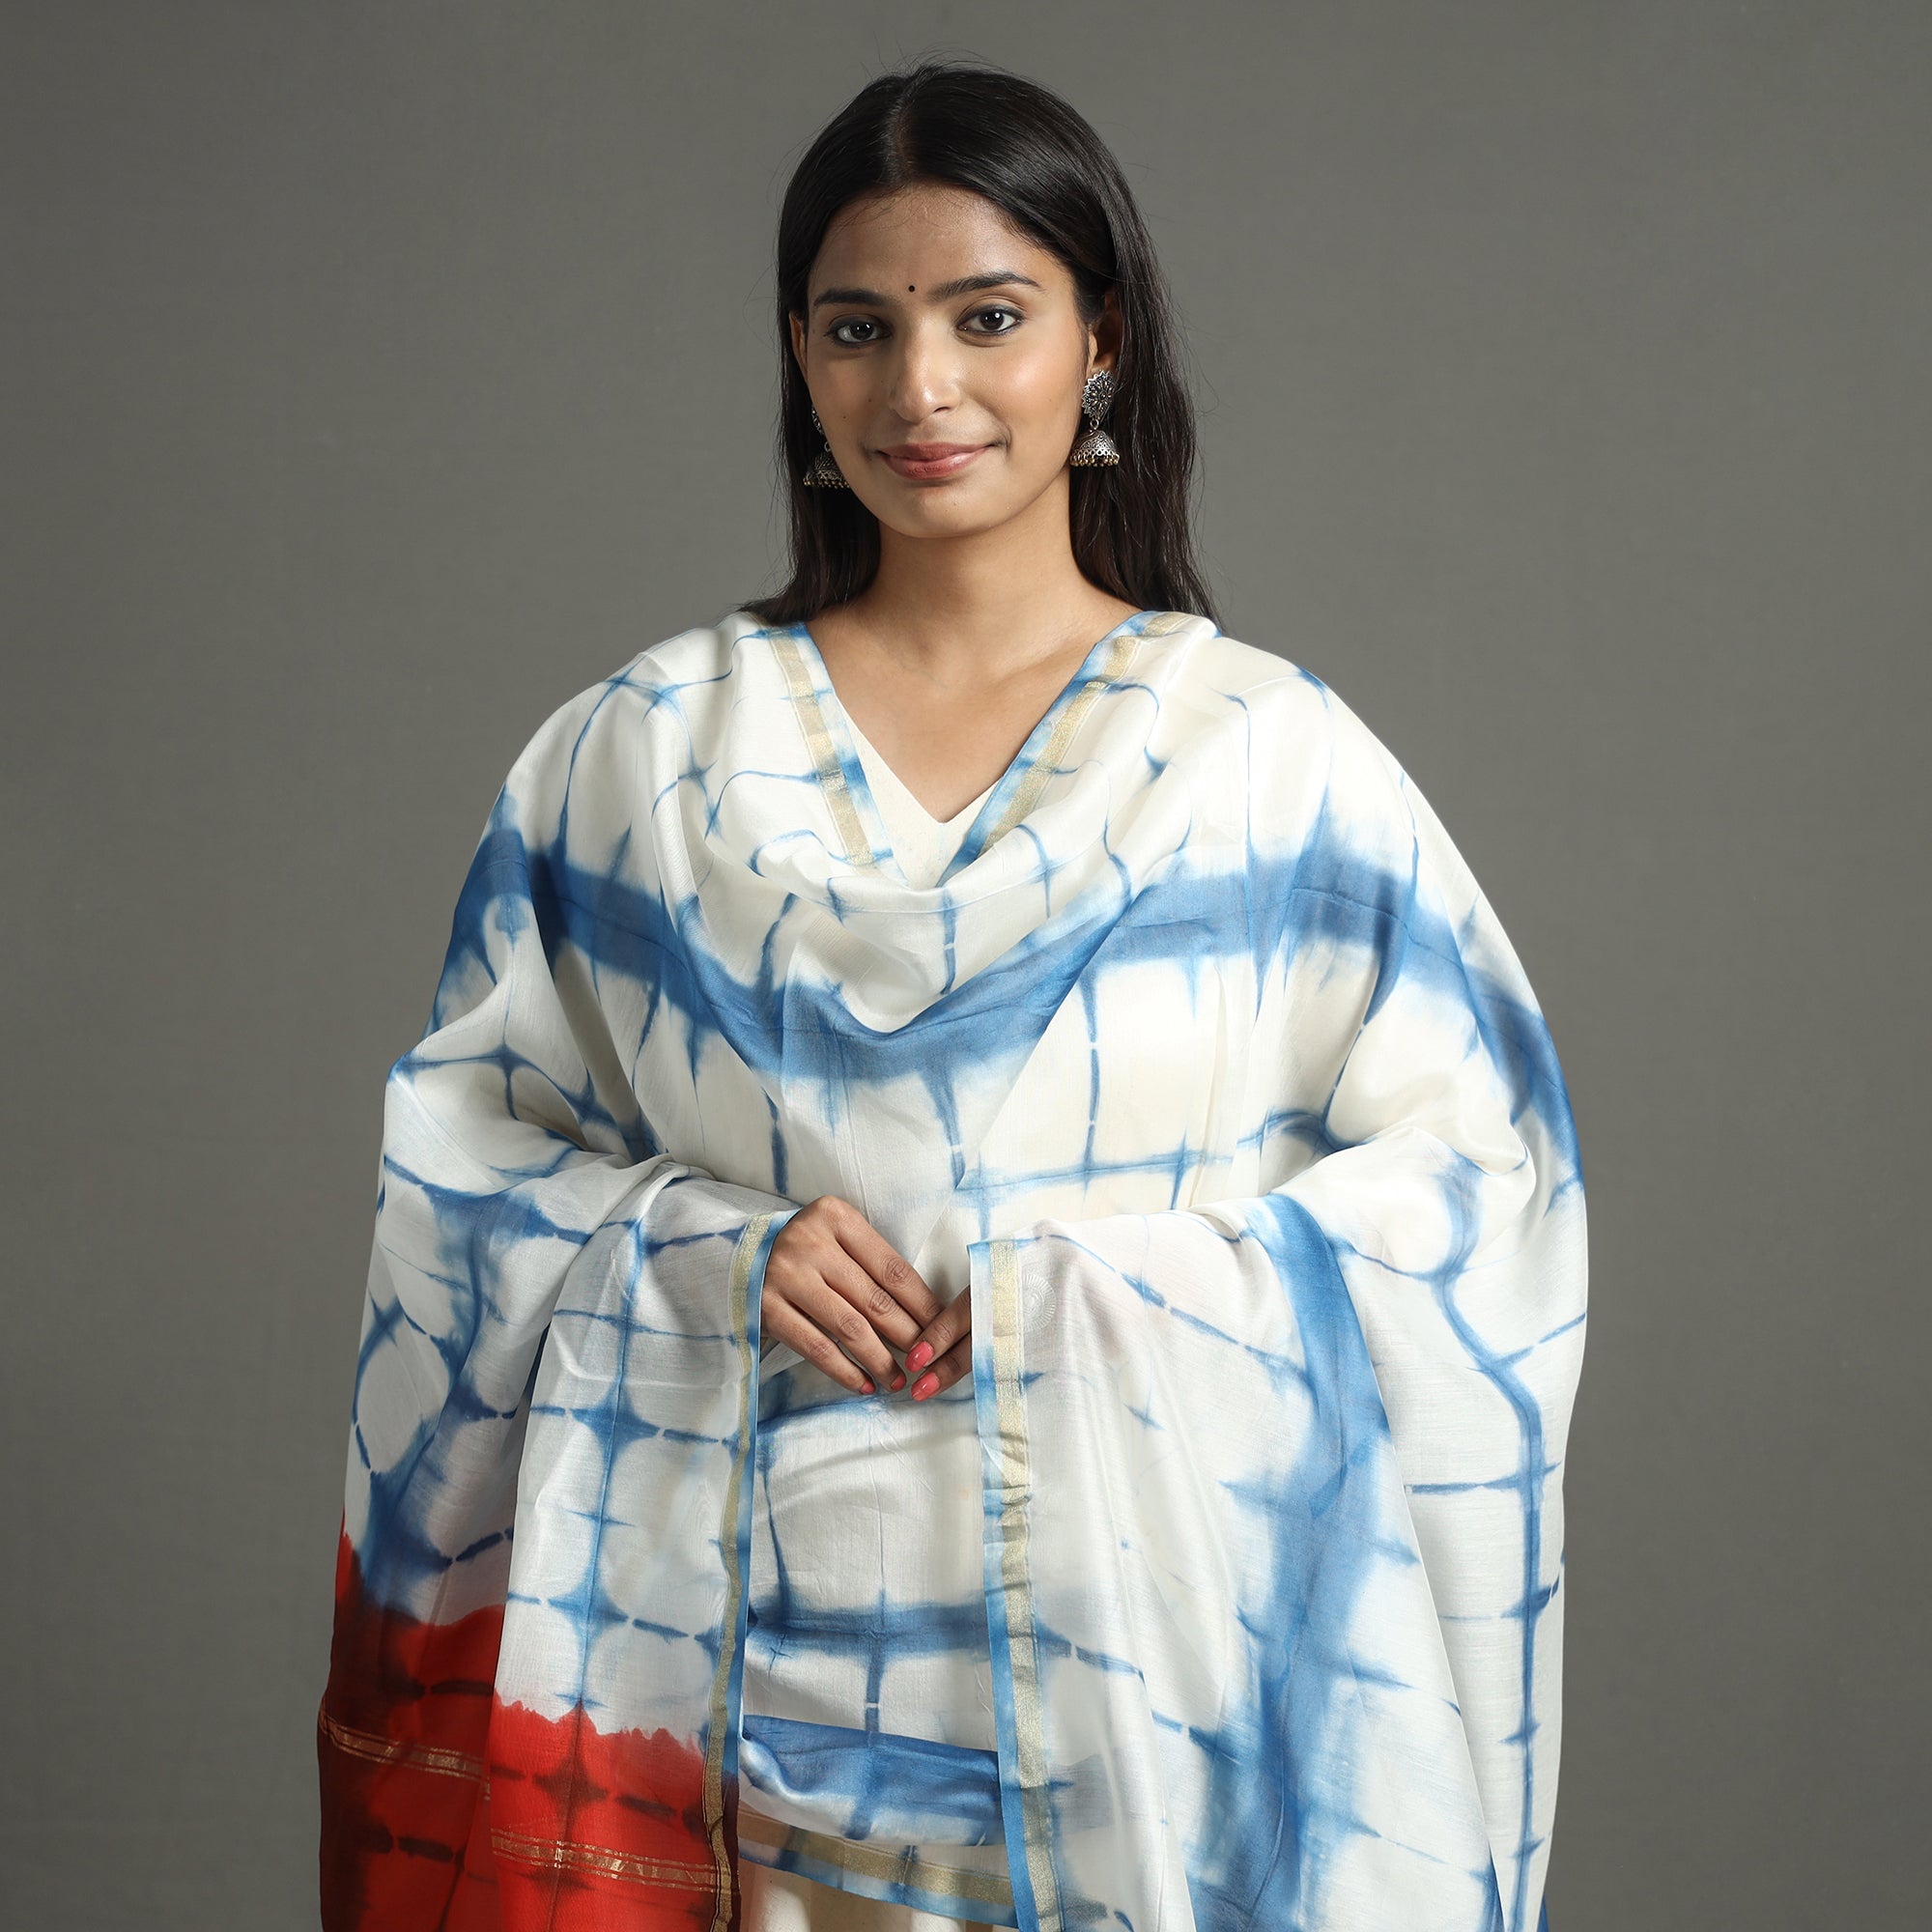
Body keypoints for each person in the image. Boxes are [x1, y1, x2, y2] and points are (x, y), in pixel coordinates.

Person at [316, 57, 1585, 1932]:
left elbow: (1485, 1206)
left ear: (1100, 343)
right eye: (859, 328)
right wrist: (701, 1255)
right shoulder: (643, 757)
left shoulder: (1265, 768)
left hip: (1159, 1757)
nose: (919, 389)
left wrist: (1109, 1295)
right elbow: (459, 1180)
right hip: (733, 1769)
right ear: (799, 356)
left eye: (989, 318)